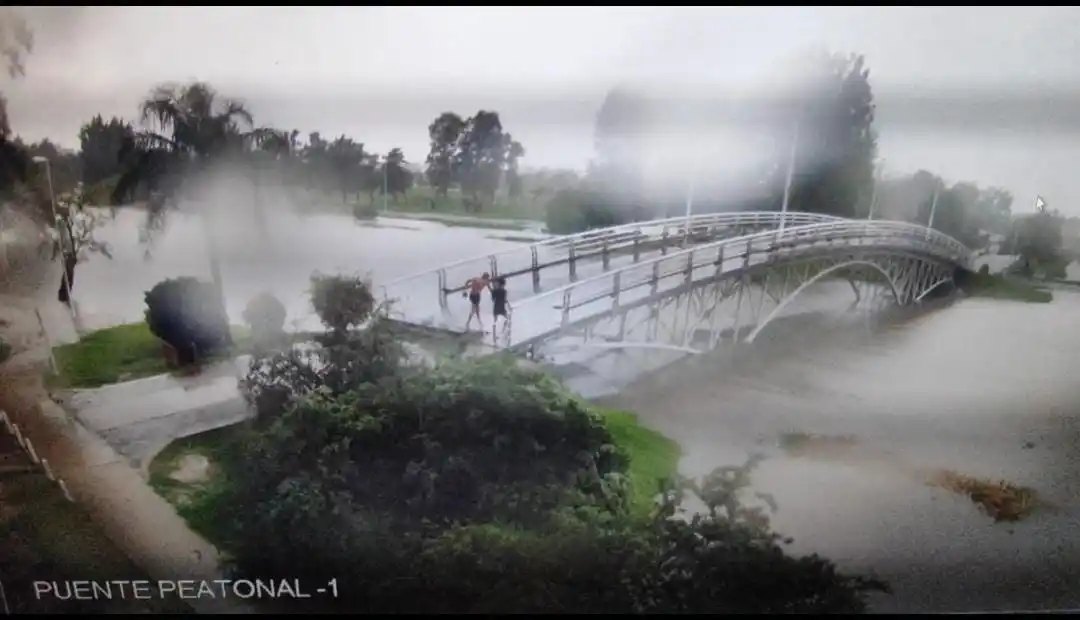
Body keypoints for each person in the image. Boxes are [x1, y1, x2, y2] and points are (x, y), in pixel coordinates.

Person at [490, 276, 512, 346]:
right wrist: (509, 306)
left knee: (495, 322)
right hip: (502, 307)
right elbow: (505, 300)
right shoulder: (504, 291)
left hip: (496, 307)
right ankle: (503, 332)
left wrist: (493, 292)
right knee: (507, 320)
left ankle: (495, 338)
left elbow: (493, 300)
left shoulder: (495, 291)